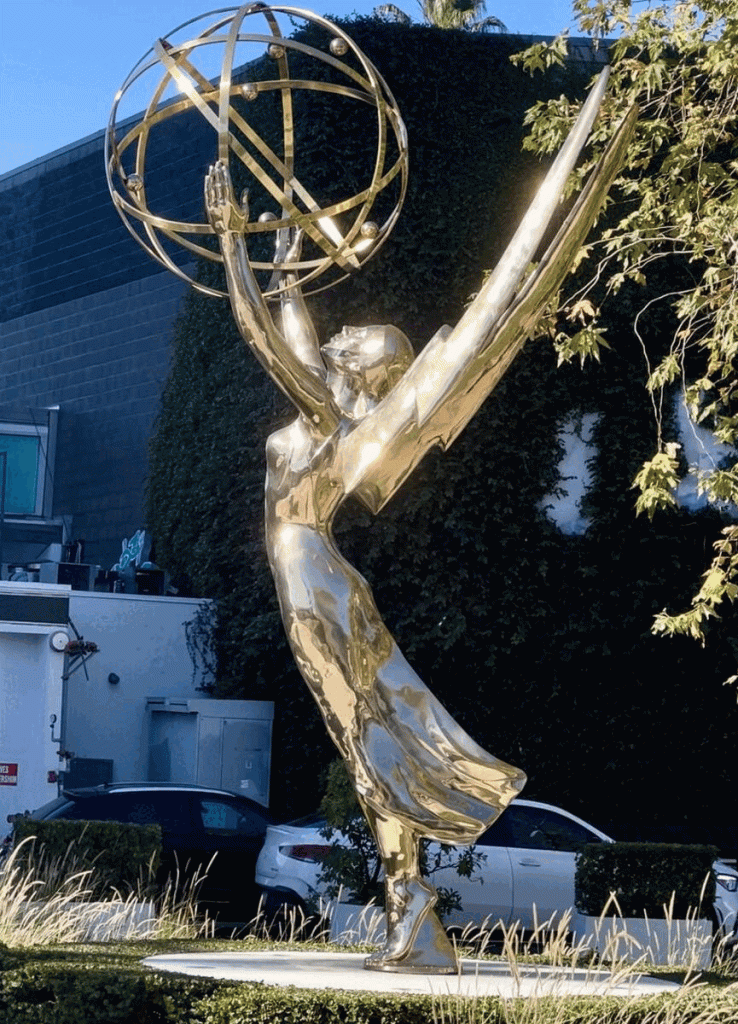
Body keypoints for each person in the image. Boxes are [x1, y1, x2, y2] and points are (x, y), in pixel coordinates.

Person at [204, 87, 634, 970]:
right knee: (370, 745)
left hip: (316, 584)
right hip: (315, 582)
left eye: (358, 338)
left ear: (368, 370)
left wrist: (231, 245)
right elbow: (288, 322)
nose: (345, 334)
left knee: (370, 742)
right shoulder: (328, 404)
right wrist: (281, 262)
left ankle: (414, 906)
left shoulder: (332, 418)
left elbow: (259, 334)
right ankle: (414, 910)